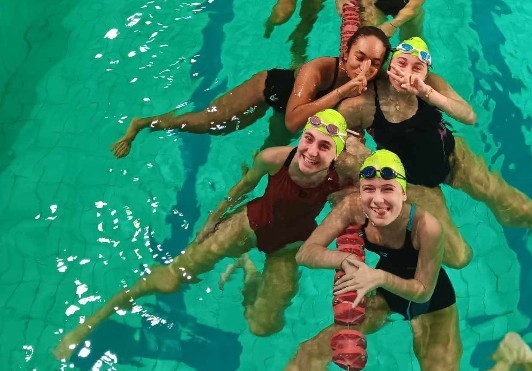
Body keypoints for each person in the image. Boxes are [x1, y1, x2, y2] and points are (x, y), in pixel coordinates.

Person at [338, 36, 532, 292]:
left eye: (417, 67)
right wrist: (358, 164)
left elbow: (469, 116)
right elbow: (333, 135)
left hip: (454, 158)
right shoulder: (365, 105)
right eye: (401, 62)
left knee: (524, 209)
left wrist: (426, 92)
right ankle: (397, 246)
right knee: (460, 257)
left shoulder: (430, 84)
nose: (408, 71)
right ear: (391, 62)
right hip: (416, 185)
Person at [54, 110, 358, 361]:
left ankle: (247, 268)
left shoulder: (341, 177)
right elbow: (243, 187)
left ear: (336, 154)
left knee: (263, 326)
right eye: (308, 139)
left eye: (324, 146)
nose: (312, 151)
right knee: (171, 278)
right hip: (249, 225)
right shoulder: (274, 157)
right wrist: (211, 221)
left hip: (289, 245)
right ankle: (91, 322)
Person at [287, 149, 461, 370]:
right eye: (369, 189)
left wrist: (379, 277)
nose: (378, 200)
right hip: (384, 294)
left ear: (404, 193)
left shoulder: (427, 227)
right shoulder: (353, 207)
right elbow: (305, 253)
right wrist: (345, 259)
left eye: (388, 189)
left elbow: (423, 292)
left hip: (433, 301)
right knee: (313, 351)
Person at [110, 26, 390, 158]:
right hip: (269, 90)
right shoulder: (316, 71)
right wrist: (343, 91)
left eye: (374, 62)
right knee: (213, 124)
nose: (365, 67)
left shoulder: (373, 78)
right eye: (359, 57)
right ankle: (145, 123)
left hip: (298, 109)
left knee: (271, 154)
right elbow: (295, 120)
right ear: (345, 53)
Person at [336, 0, 426, 39]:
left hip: (404, 4)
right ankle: (379, 72)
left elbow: (413, 7)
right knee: (369, 37)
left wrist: (392, 25)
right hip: (373, 4)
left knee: (413, 37)